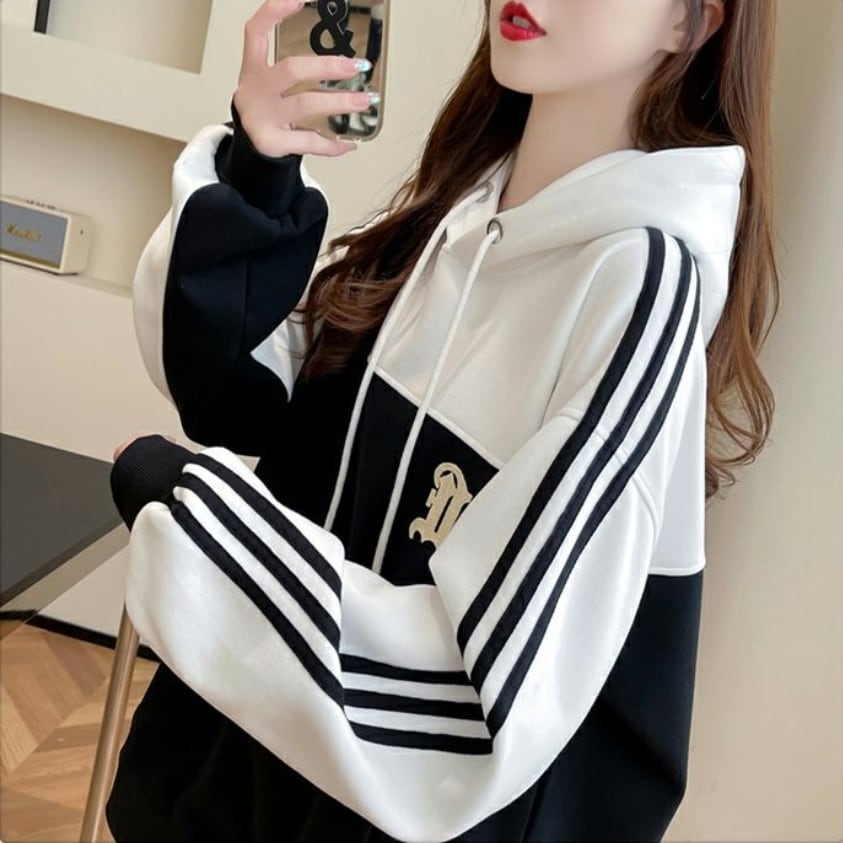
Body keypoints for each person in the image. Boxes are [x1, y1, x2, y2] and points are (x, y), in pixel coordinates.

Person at [105, 0, 780, 840]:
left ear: (688, 25)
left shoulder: (641, 285)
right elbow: (237, 397)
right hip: (228, 791)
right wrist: (260, 169)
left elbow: (472, 705)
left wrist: (194, 522)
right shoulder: (454, 213)